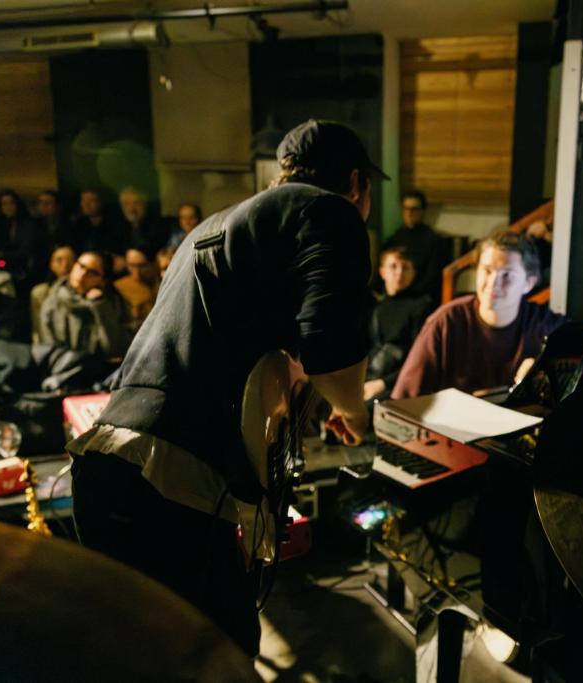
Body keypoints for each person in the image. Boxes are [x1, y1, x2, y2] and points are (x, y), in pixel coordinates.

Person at [66, 119, 386, 656]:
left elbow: (241, 354)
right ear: (356, 183)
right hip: (167, 485)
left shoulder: (214, 228)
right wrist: (352, 410)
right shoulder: (332, 212)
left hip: (113, 472)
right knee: (222, 656)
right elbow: (331, 350)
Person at [391, 230, 565, 399]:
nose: (493, 283)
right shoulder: (446, 321)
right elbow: (403, 400)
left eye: (507, 275)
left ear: (528, 283)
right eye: (487, 270)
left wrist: (544, 373)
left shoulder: (546, 325)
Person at [363, 246, 431, 402]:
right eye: (393, 266)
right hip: (365, 376)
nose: (399, 272)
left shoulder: (421, 306)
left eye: (405, 267)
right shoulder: (373, 305)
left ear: (413, 273)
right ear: (382, 272)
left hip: (396, 382)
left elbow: (419, 359)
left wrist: (382, 384)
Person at [38, 250, 129, 358]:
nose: (83, 274)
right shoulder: (54, 300)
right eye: (81, 266)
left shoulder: (113, 301)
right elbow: (48, 345)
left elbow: (117, 348)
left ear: (103, 280)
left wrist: (100, 306)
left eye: (92, 272)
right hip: (62, 364)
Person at [381, 189, 452, 303]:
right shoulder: (394, 239)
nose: (409, 213)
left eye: (414, 209)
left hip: (419, 298)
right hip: (393, 296)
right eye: (406, 208)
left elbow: (433, 279)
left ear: (422, 211)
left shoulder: (434, 241)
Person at [29, 244, 76, 342]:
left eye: (70, 260)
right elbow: (37, 327)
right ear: (51, 264)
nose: (65, 265)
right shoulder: (40, 292)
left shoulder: (81, 292)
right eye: (59, 260)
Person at [113, 243, 159, 334]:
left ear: (154, 264)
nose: (137, 272)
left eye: (143, 266)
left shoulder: (164, 282)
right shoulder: (118, 288)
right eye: (131, 265)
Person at [69, 190, 128, 256]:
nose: (86, 204)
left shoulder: (115, 224)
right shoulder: (79, 224)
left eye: (91, 200)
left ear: (101, 202)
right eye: (83, 200)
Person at [119, 186, 169, 252]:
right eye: (126, 204)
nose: (131, 208)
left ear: (144, 204)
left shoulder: (158, 225)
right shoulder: (118, 227)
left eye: (136, 203)